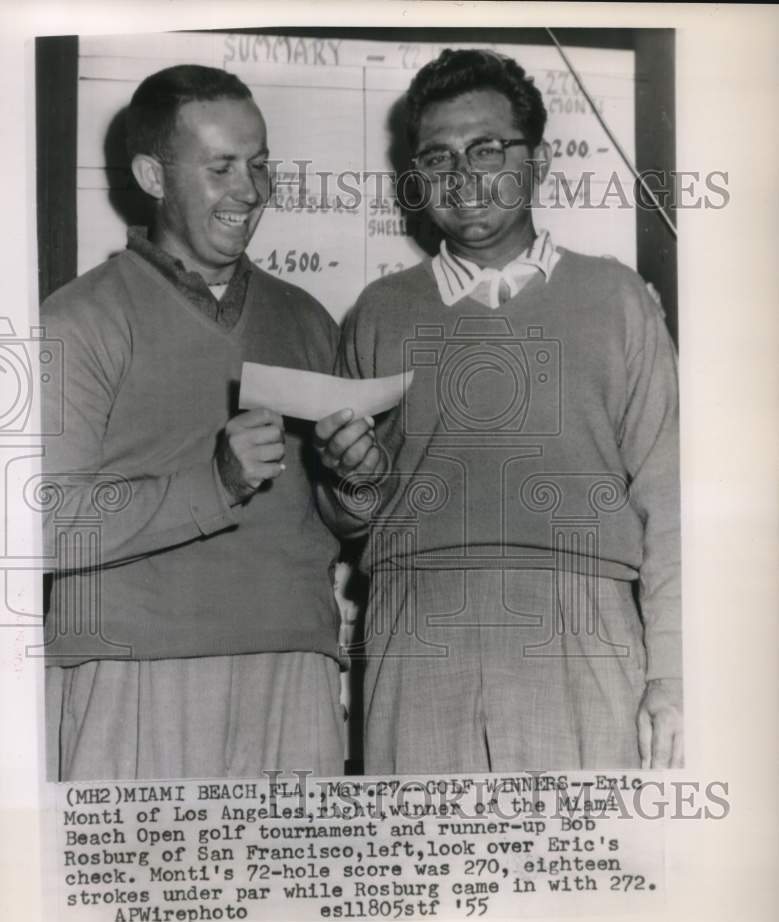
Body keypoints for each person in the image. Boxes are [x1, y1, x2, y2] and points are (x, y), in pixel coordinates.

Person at [315, 48, 683, 774]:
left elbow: (669, 502)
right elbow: (346, 516)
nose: (462, 177)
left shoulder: (618, 301)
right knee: (426, 875)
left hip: (583, 626)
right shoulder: (377, 314)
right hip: (416, 631)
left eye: (486, 149)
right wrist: (352, 479)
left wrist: (670, 672)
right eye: (438, 157)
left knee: (581, 876)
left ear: (538, 161)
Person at [41, 64, 347, 781]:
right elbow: (39, 525)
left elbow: (333, 521)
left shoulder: (305, 318)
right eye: (221, 168)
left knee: (292, 895)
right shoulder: (78, 320)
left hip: (292, 673)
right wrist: (213, 482)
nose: (250, 191)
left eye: (260, 164)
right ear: (152, 176)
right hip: (134, 678)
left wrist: (356, 485)